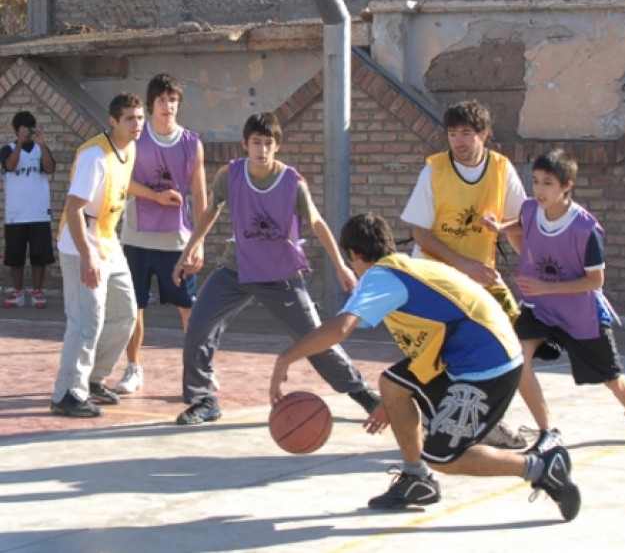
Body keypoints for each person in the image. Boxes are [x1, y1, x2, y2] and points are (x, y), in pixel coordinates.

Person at [269, 213, 581, 521]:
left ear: (354, 255)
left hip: (487, 367)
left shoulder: (381, 276)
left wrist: (287, 357)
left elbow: (340, 328)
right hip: (473, 353)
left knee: (444, 457)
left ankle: (540, 467)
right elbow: (436, 338)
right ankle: (416, 478)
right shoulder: (408, 267)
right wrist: (394, 402)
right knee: (392, 385)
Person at [171, 112, 380, 425]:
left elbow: (317, 222)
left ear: (277, 146)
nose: (262, 149)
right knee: (199, 324)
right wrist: (190, 249)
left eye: (268, 143)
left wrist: (341, 265)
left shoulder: (292, 182)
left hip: (281, 274)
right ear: (245, 144)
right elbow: (210, 213)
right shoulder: (229, 175)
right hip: (235, 269)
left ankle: (361, 392)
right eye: (256, 142)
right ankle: (203, 399)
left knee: (314, 338)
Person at [483, 148, 625, 449]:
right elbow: (523, 223)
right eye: (537, 181)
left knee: (613, 378)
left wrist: (545, 287)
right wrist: (499, 228)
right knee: (517, 358)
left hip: (581, 314)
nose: (539, 190)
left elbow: (596, 280)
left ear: (567, 185)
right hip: (540, 309)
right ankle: (547, 429)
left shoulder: (586, 228)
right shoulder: (529, 209)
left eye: (548, 183)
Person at [400, 100, 528, 449]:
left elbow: (519, 223)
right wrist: (464, 266)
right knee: (440, 354)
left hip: (479, 277)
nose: (457, 141)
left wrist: (529, 265)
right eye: (452, 134)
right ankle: (446, 416)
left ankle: (491, 418)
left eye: (466, 134)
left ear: (484, 134)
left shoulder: (502, 170)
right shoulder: (434, 170)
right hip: (435, 277)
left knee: (512, 343)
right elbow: (421, 234)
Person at [50, 93, 146, 418]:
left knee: (126, 313)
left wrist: (157, 197)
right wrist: (87, 256)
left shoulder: (128, 149)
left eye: (140, 118)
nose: (137, 125)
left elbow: (123, 185)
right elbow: (74, 209)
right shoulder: (95, 155)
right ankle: (67, 393)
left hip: (107, 240)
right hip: (81, 243)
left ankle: (92, 379)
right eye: (130, 119)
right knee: (86, 320)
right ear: (113, 121)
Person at [116, 74, 207, 394]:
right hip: (137, 237)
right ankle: (133, 368)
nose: (167, 106)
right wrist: (154, 196)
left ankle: (199, 369)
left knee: (190, 309)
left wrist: (199, 243)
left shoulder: (191, 143)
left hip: (176, 241)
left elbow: (201, 198)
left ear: (178, 103)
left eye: (172, 100)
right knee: (133, 307)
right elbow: (121, 181)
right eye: (161, 100)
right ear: (151, 104)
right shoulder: (136, 139)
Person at [1, 111, 56, 309]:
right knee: (15, 257)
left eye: (29, 128)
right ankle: (17, 292)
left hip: (39, 212)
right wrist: (19, 143)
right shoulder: (8, 149)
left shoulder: (41, 149)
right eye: (23, 129)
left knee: (39, 256)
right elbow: (10, 166)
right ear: (16, 130)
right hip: (16, 215)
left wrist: (41, 144)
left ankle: (38, 291)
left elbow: (49, 169)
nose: (27, 132)